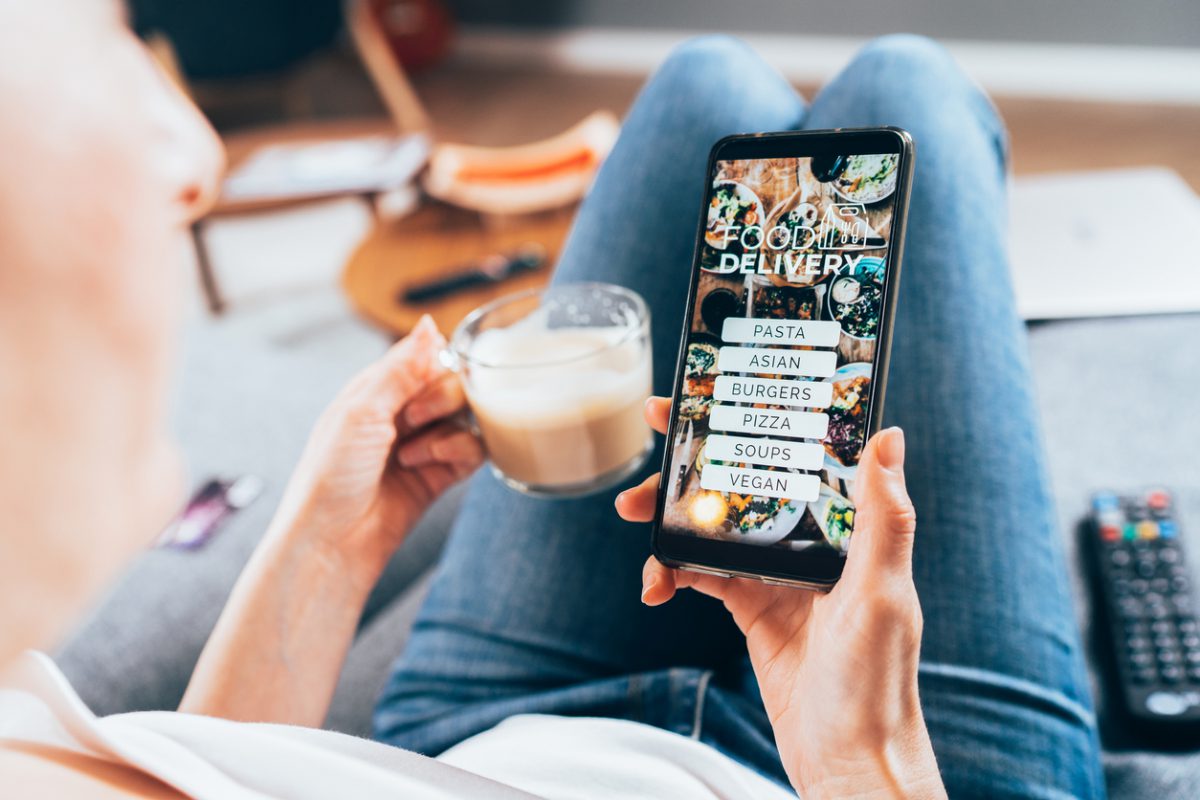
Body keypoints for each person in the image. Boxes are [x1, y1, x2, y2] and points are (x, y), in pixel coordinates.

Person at [0, 2, 1104, 798]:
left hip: (490, 726)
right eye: (101, 43)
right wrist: (860, 761)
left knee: (706, 82)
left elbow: (202, 777)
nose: (193, 150)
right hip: (891, 767)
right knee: (908, 86)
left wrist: (327, 547)